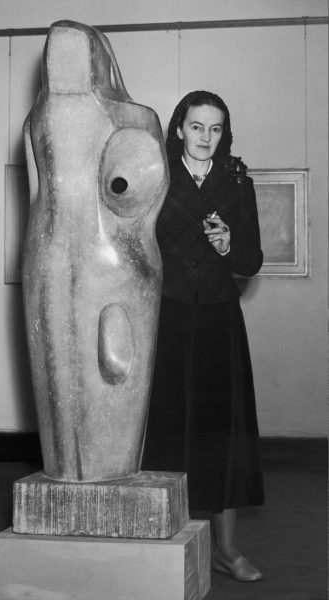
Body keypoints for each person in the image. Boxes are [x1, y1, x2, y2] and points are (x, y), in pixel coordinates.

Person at [142, 90, 265, 582]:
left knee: (223, 432)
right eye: (197, 127)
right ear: (179, 128)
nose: (205, 137)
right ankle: (160, 537)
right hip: (166, 315)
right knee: (165, 426)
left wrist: (230, 244)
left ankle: (226, 550)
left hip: (218, 319)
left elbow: (251, 262)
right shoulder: (156, 177)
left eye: (215, 129)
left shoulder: (236, 182)